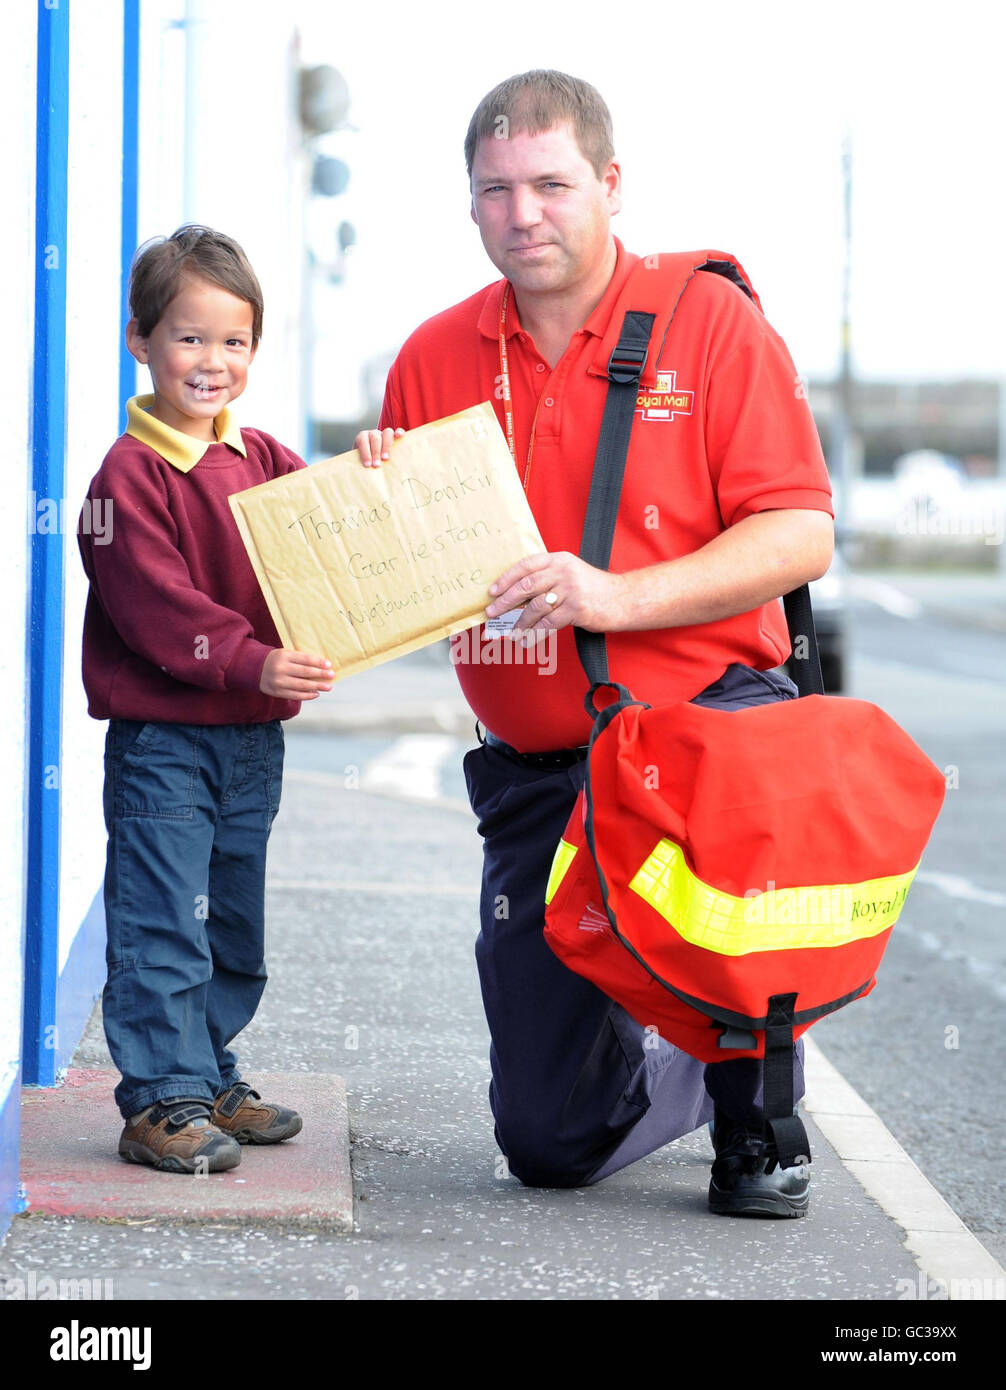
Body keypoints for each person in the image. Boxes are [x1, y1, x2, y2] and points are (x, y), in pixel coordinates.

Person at [356, 71, 834, 1216]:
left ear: (610, 186)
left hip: (701, 726)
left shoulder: (708, 322)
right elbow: (421, 580)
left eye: (552, 184)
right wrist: (370, 525)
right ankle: (671, 1060)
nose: (523, 213)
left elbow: (800, 531)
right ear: (470, 204)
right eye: (495, 190)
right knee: (546, 1142)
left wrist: (613, 597)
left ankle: (753, 1104)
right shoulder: (430, 358)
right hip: (533, 766)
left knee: (716, 887)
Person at [78, 226, 334, 1173]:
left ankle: (209, 1069)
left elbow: (337, 529)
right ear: (140, 340)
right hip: (165, 740)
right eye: (189, 337)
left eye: (234, 341)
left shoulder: (263, 458)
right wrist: (251, 661)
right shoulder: (128, 478)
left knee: (231, 922)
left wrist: (381, 465)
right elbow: (153, 608)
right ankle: (160, 1098)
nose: (212, 361)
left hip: (249, 743)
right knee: (162, 920)